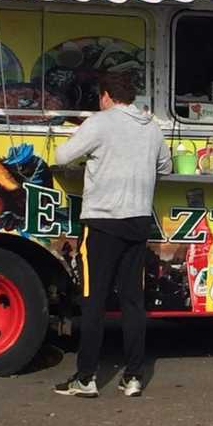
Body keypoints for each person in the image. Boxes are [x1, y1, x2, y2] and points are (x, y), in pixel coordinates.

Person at [54, 72, 171, 398]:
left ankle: (86, 378)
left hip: (102, 223)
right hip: (137, 222)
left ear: (105, 96)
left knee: (94, 301)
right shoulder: (151, 127)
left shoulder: (100, 122)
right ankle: (133, 377)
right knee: (133, 302)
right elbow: (165, 167)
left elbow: (62, 156)